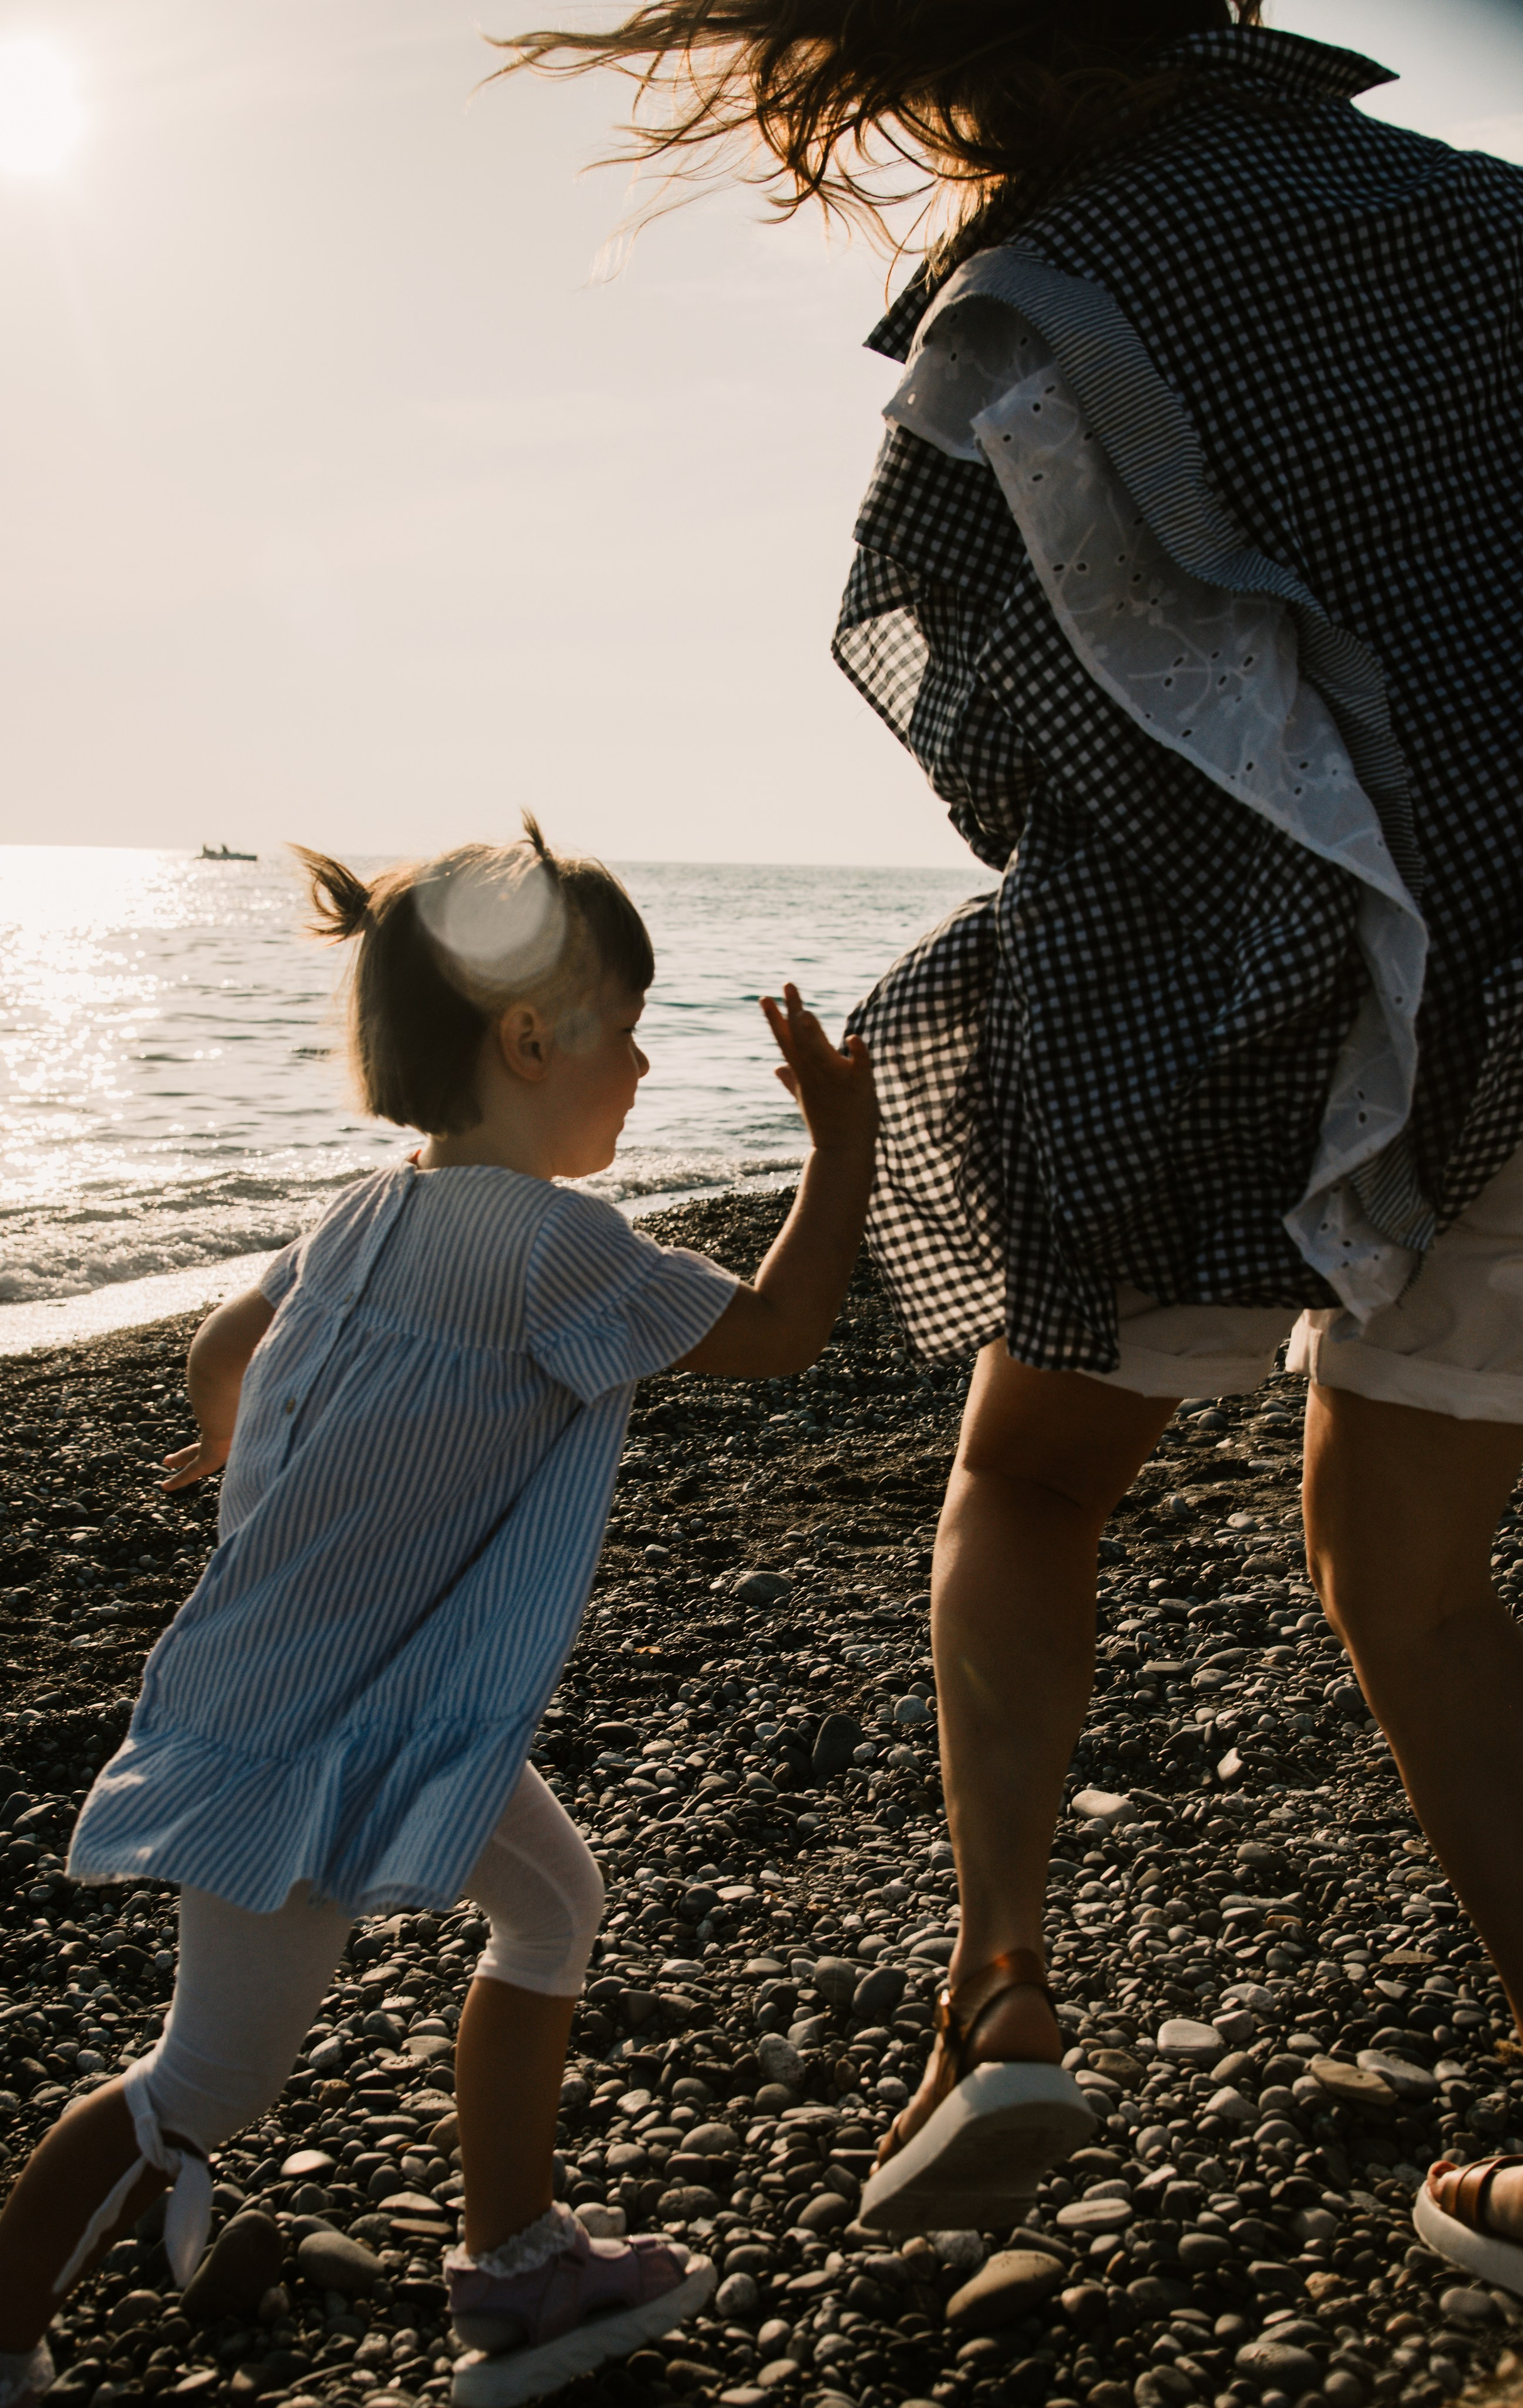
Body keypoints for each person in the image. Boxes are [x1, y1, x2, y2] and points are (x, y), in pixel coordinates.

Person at [502, 0, 1523, 2269]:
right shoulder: (1486, 218)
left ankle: (1000, 2001)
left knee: (1034, 1468)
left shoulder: (1043, 307)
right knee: (1413, 1538)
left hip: (1352, 991)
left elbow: (1009, 720)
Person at [0, 820, 875, 2408]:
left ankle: (515, 2264)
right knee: (204, 2078)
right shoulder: (553, 1246)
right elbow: (778, 1333)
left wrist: (240, 1436)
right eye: (624, 1032)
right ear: (525, 1036)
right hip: (317, 1730)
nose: (642, 1065)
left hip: (360, 1700)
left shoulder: (367, 1212)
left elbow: (231, 1329)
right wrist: (836, 1148)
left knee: (554, 1902)